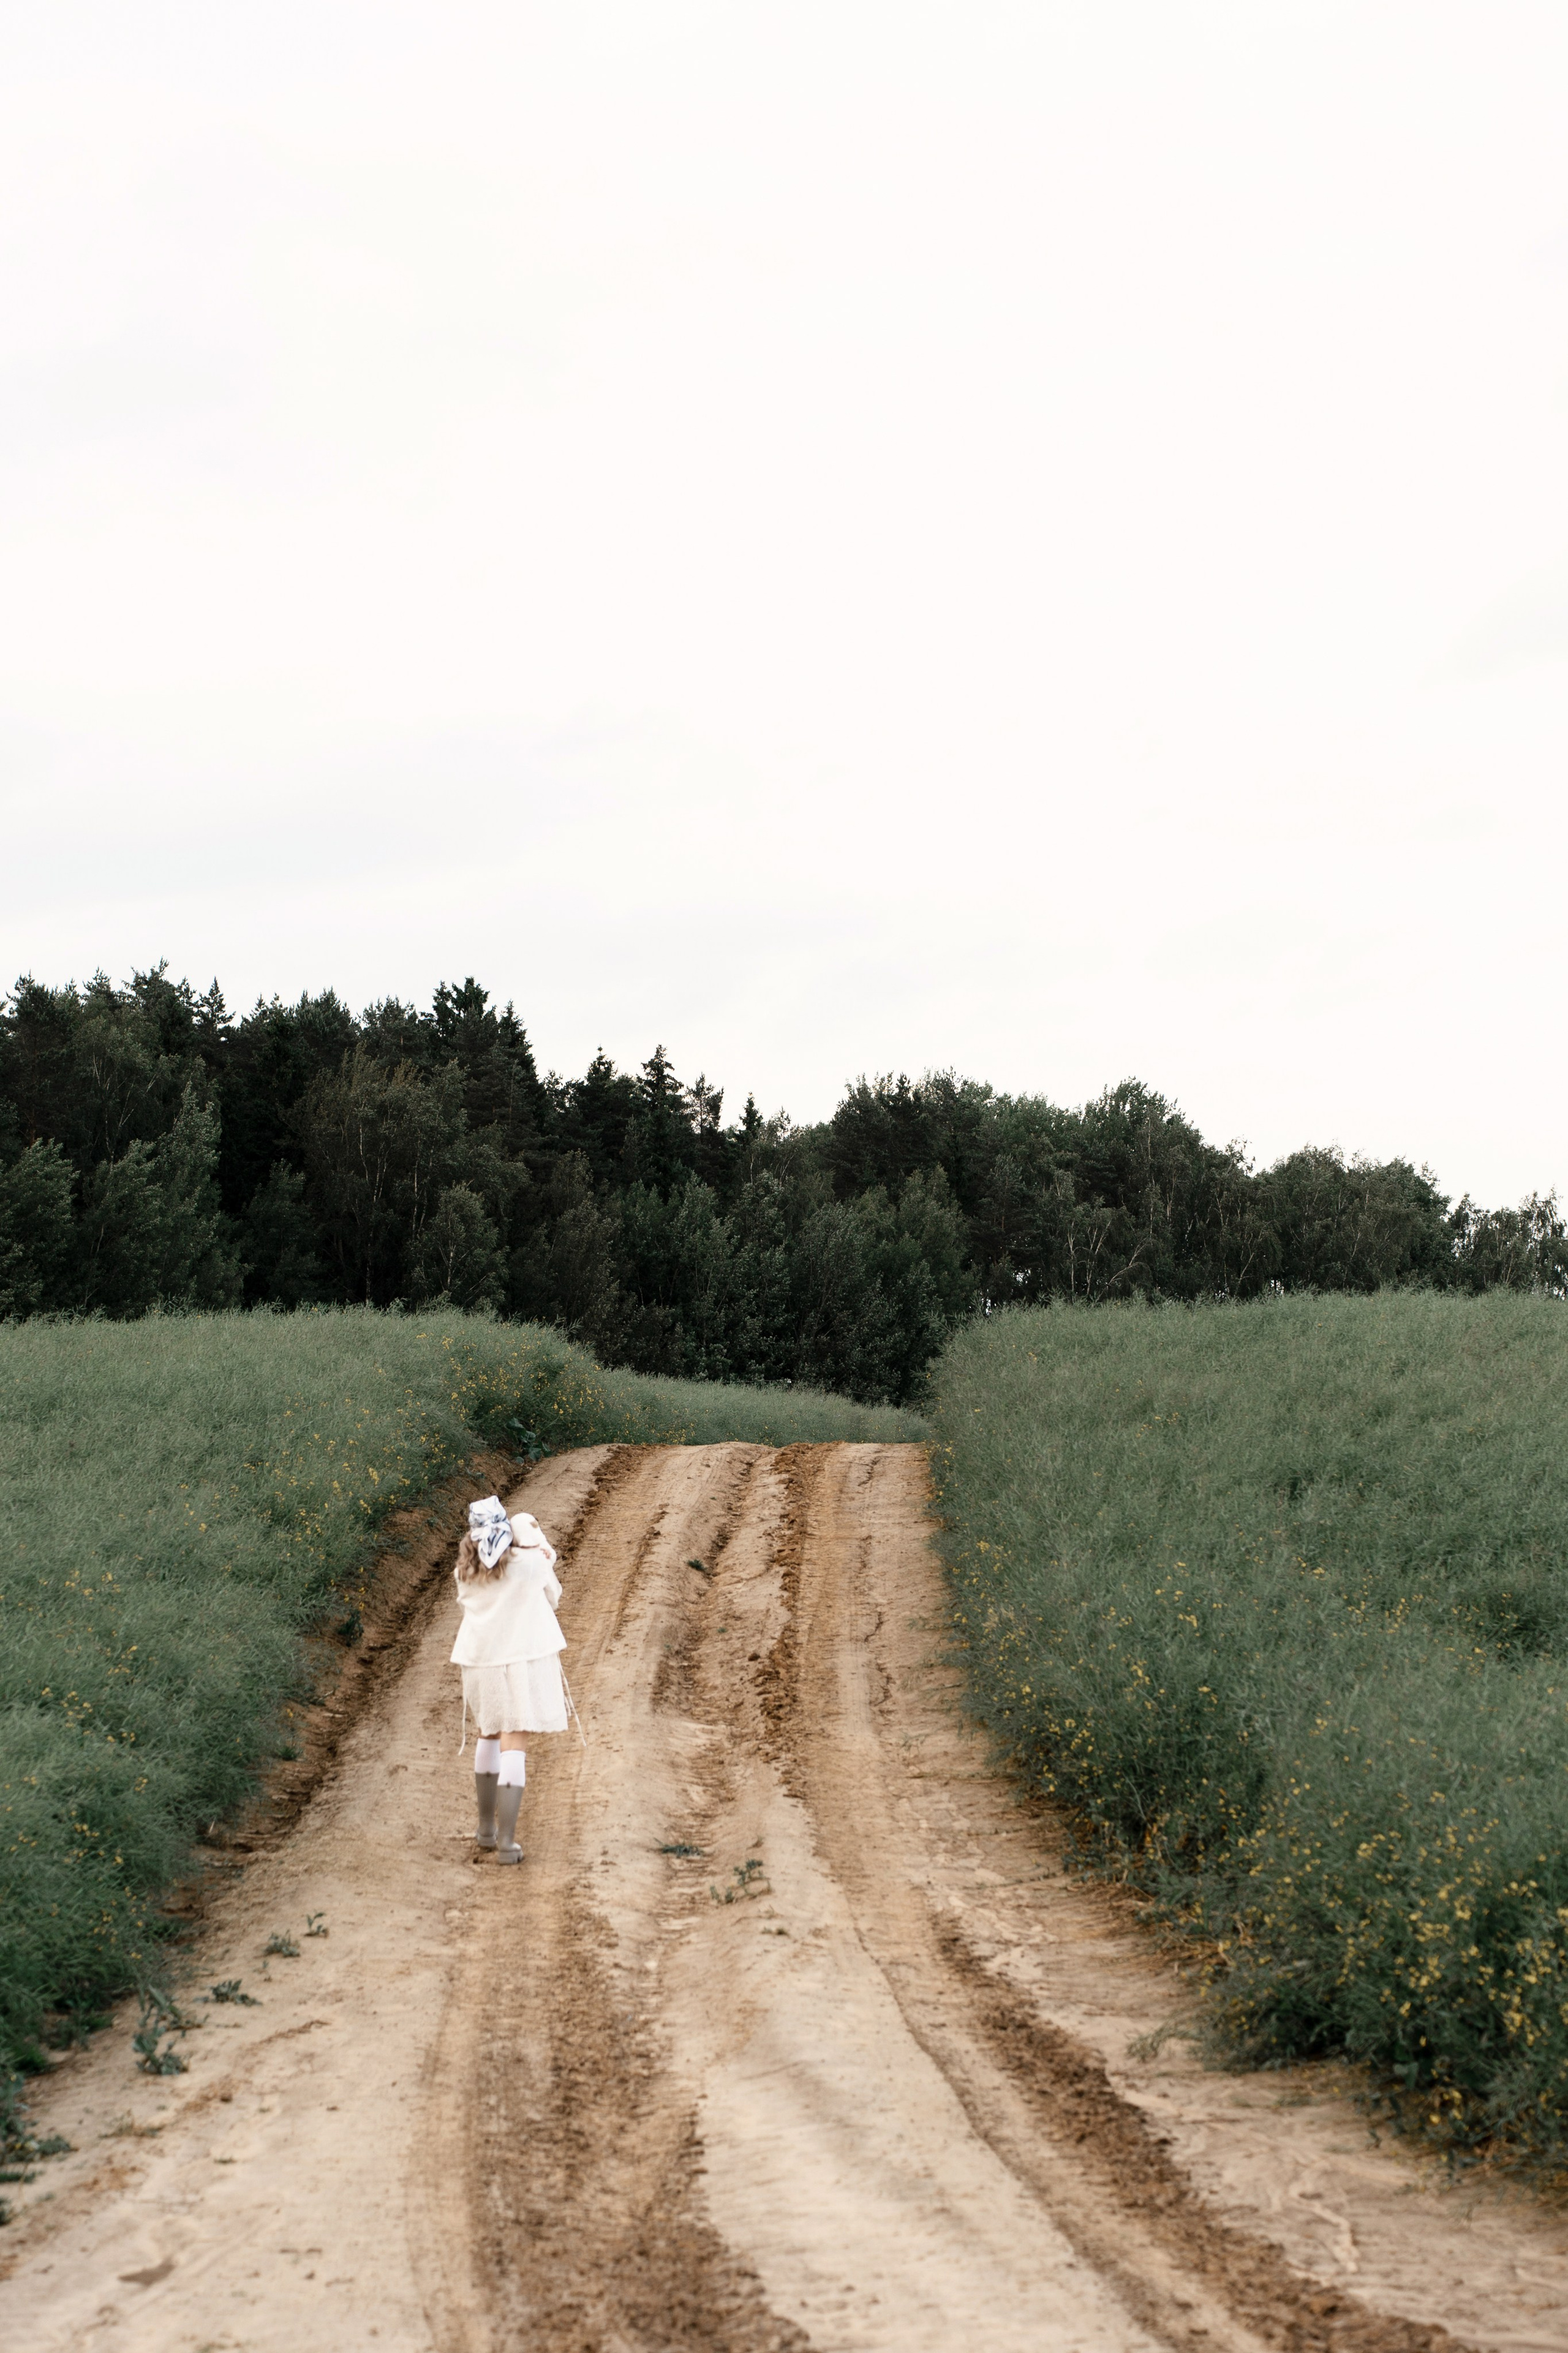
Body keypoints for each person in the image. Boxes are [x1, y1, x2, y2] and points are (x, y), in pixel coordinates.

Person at [451, 1495, 568, 1864]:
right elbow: (554, 1597)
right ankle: (507, 1843)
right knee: (514, 1741)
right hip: (521, 1659)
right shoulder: (530, 1564)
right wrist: (539, 1548)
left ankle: (485, 1830)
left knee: (488, 1732)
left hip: (480, 1661)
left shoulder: (464, 1571)